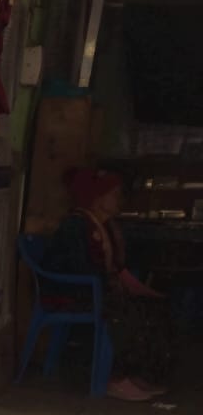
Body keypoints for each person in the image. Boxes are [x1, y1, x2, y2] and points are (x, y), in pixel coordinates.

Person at [43, 167, 177, 401]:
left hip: (95, 290)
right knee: (125, 312)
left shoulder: (106, 226)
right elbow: (77, 269)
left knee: (152, 309)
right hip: (73, 292)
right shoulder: (76, 226)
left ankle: (138, 374)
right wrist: (111, 285)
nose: (119, 200)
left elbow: (115, 268)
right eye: (113, 194)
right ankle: (114, 378)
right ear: (96, 198)